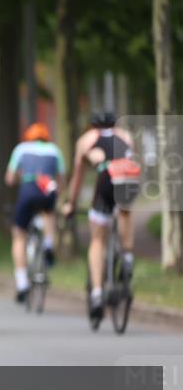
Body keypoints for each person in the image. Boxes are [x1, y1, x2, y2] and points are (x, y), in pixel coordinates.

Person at [61, 111, 141, 320]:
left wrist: (71, 203)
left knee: (97, 240)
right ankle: (127, 257)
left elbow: (78, 177)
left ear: (92, 125)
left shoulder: (86, 139)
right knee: (125, 213)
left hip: (106, 177)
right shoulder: (125, 135)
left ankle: (97, 293)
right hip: (128, 177)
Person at [5, 122, 65, 303]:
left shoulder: (21, 149)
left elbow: (9, 179)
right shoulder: (55, 150)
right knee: (49, 213)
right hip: (48, 188)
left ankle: (22, 282)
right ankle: (48, 244)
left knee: (19, 235)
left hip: (28, 188)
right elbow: (62, 178)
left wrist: (18, 178)